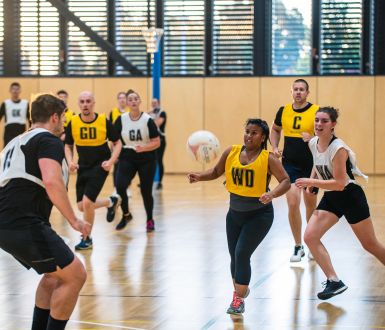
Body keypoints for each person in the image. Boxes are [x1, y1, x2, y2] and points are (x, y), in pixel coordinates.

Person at [0, 94, 91, 330]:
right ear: (54, 117)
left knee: (53, 276)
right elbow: (52, 181)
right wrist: (74, 220)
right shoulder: (48, 140)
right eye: (62, 117)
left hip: (8, 221)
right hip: (22, 221)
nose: (63, 122)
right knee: (75, 275)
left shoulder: (15, 142)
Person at [188, 119, 290, 315]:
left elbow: (286, 180)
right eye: (247, 131)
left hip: (259, 216)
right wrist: (200, 176)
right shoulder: (232, 152)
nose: (249, 136)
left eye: (254, 133)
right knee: (234, 257)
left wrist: (272, 194)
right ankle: (240, 293)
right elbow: (216, 171)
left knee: (242, 253)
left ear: (263, 138)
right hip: (234, 215)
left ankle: (238, 298)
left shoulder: (268, 158)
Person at [296, 107, 385, 300]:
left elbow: (340, 183)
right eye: (317, 120)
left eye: (324, 121)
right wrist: (313, 180)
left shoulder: (339, 149)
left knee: (370, 244)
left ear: (333, 125)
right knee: (310, 236)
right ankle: (334, 281)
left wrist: (311, 182)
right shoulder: (313, 143)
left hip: (350, 196)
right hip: (333, 197)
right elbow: (316, 163)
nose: (319, 124)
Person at [65, 91, 122, 250]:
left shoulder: (104, 121)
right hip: (83, 166)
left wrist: (111, 161)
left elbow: (117, 143)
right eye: (82, 101)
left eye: (88, 101)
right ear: (78, 104)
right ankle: (111, 201)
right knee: (82, 206)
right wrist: (70, 161)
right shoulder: (73, 122)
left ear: (93, 103)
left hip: (100, 166)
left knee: (87, 202)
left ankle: (87, 237)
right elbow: (68, 145)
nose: (85, 104)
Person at [270, 78, 319, 262]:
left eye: (302, 89)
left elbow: (326, 137)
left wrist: (312, 139)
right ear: (291, 92)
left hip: (311, 165)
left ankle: (312, 242)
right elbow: (275, 130)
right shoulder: (283, 111)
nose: (298, 92)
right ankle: (298, 246)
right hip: (289, 163)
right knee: (292, 202)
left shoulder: (316, 112)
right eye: (295, 89)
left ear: (307, 93)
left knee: (310, 204)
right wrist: (275, 147)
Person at [111, 90, 160, 231]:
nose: (133, 101)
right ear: (126, 102)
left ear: (139, 102)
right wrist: (114, 154)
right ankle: (126, 215)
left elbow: (156, 142)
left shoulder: (147, 120)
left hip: (147, 158)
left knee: (146, 191)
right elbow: (114, 139)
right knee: (120, 186)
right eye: (130, 99)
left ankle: (150, 219)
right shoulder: (121, 119)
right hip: (128, 156)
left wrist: (144, 148)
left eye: (135, 99)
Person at [0, 82, 30, 147]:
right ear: (10, 90)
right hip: (9, 130)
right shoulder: (5, 103)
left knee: (21, 149)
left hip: (21, 129)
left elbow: (29, 119)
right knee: (8, 150)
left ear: (20, 90)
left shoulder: (25, 103)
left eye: (17, 89)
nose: (15, 91)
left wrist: (30, 132)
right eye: (13, 89)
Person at [148, 98, 167, 190]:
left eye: (155, 103)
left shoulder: (162, 113)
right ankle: (147, 181)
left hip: (161, 140)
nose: (153, 104)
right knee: (149, 161)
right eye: (152, 103)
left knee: (159, 160)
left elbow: (156, 124)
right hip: (151, 141)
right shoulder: (149, 114)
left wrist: (149, 117)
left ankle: (159, 182)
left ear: (158, 103)